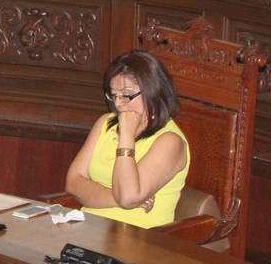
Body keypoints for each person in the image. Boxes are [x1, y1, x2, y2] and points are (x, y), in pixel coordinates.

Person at [64, 49, 189, 228]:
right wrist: (116, 198)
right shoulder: (105, 123)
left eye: (127, 95)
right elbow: (73, 182)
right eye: (114, 95)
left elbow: (129, 197)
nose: (118, 103)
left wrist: (127, 136)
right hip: (90, 228)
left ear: (153, 91)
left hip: (138, 236)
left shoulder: (170, 141)